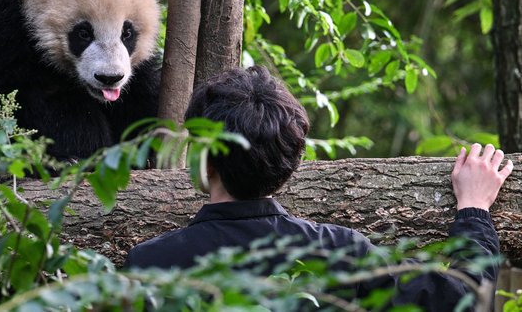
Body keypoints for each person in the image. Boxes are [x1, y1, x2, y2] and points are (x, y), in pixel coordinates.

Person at [125, 65, 513, 310]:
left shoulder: (149, 264)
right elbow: (464, 300)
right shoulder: (341, 254)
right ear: (292, 165)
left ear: (203, 158)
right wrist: (474, 210)